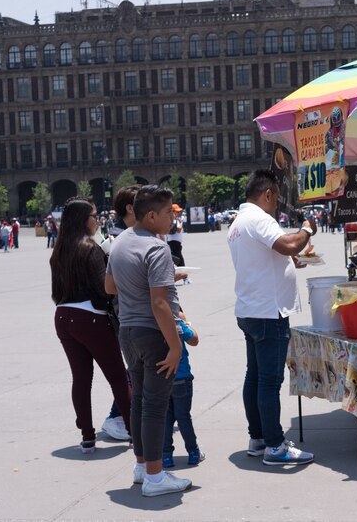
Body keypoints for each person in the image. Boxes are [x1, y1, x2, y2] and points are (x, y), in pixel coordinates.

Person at [106, 185, 193, 497]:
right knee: (156, 406)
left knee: (140, 401)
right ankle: (156, 477)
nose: (173, 218)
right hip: (152, 332)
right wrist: (175, 345)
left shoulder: (119, 243)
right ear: (152, 215)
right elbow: (159, 303)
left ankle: (143, 466)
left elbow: (110, 286)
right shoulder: (157, 248)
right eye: (169, 212)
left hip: (128, 331)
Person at [227, 169, 317, 466]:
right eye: (276, 198)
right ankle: (275, 446)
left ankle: (258, 437)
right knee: (269, 381)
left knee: (254, 377)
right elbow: (289, 244)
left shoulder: (240, 222)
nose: (277, 204)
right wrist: (308, 230)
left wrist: (288, 261)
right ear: (267, 194)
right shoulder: (258, 219)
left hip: (251, 309)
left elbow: (271, 253)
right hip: (268, 311)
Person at [49, 197, 132, 455]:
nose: (97, 219)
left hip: (63, 315)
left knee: (81, 379)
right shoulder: (90, 247)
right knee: (118, 377)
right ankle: (135, 431)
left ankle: (87, 437)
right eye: (94, 215)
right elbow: (104, 289)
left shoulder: (59, 249)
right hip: (90, 317)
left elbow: (55, 291)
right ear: (84, 219)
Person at [99, 185, 143, 442]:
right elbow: (112, 282)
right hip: (127, 311)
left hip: (129, 310)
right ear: (130, 207)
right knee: (135, 367)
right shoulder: (118, 238)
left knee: (139, 367)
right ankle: (117, 416)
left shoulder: (128, 234)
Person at [162, 313, 204, 468]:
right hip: (181, 377)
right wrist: (185, 322)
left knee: (166, 418)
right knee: (183, 416)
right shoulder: (175, 320)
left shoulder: (150, 321)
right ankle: (193, 452)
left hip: (162, 378)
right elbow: (194, 339)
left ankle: (166, 455)